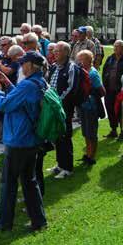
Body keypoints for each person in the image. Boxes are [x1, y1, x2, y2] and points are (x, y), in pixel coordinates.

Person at [0, 51, 47, 232]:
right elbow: (21, 101)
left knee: (8, 183)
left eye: (23, 63)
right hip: (31, 139)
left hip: (18, 140)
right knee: (30, 181)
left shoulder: (28, 85)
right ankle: (39, 222)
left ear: (30, 65)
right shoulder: (39, 82)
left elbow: (5, 105)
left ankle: (4, 223)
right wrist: (9, 84)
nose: (21, 66)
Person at [46, 41, 78, 179]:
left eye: (57, 51)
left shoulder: (71, 67)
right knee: (57, 135)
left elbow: (71, 88)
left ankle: (68, 167)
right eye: (54, 51)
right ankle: (60, 164)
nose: (54, 53)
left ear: (65, 52)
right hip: (53, 107)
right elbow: (48, 84)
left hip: (63, 108)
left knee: (65, 136)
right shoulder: (53, 67)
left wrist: (57, 102)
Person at [76, 49, 105, 165]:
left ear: (88, 60)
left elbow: (102, 91)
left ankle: (91, 156)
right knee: (85, 132)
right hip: (83, 106)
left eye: (81, 59)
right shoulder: (83, 71)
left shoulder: (93, 73)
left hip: (91, 107)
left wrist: (91, 93)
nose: (79, 62)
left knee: (92, 133)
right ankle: (88, 153)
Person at [102, 40, 123, 139]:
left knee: (121, 111)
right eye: (114, 46)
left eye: (117, 46)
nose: (115, 48)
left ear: (122, 48)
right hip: (109, 89)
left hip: (120, 90)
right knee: (110, 109)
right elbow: (104, 70)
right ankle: (113, 130)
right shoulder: (110, 58)